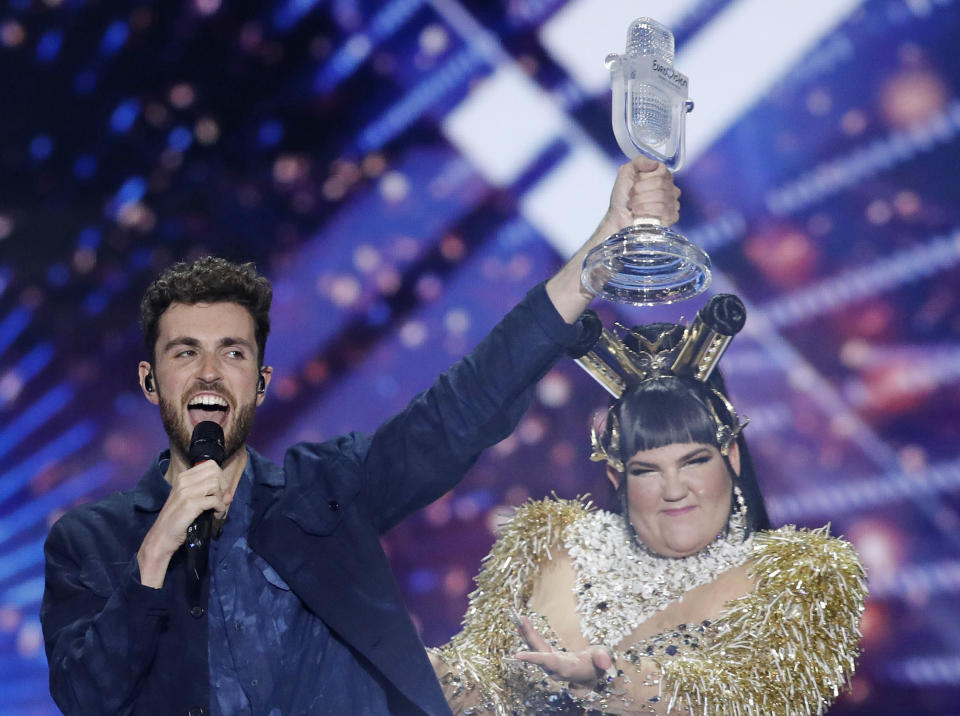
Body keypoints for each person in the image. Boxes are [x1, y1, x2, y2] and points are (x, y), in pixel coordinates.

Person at [39, 156, 680, 715]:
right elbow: (87, 698)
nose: (209, 372)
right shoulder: (89, 543)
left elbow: (456, 413)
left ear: (259, 383)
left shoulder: (327, 488)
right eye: (186, 353)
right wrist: (154, 557)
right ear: (151, 381)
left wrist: (600, 256)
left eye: (231, 353)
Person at [429, 297, 868, 715]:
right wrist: (400, 666)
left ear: (730, 456)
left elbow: (752, 697)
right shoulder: (546, 545)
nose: (674, 489)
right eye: (646, 470)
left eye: (694, 461)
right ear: (617, 477)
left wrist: (604, 679)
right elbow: (477, 686)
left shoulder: (800, 576)